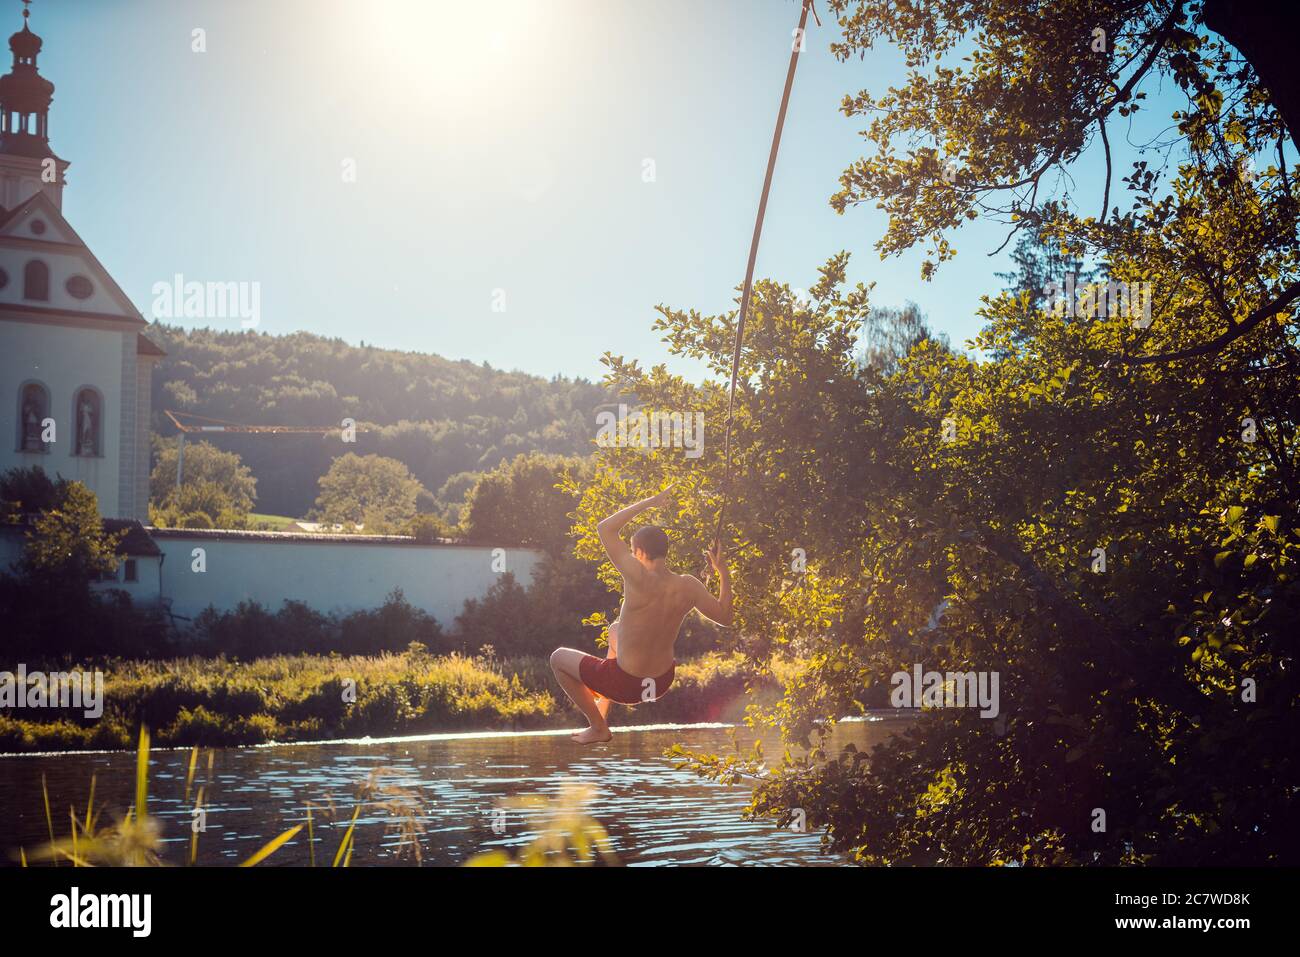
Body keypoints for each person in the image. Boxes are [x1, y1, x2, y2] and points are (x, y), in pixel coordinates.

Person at [549, 486, 733, 744]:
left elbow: (605, 528)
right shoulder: (689, 585)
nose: (632, 555)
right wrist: (723, 572)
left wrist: (650, 502)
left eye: (633, 551)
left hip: (627, 683)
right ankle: (603, 708)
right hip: (661, 681)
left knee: (558, 658)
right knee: (615, 630)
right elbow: (725, 617)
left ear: (640, 553)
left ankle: (598, 727)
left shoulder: (636, 575)